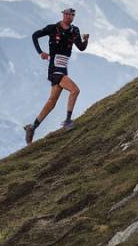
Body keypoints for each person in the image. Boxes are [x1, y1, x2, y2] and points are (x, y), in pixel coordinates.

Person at [24, 8, 89, 144]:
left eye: (72, 15)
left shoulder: (75, 31)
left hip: (63, 68)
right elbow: (35, 35)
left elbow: (81, 47)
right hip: (54, 68)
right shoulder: (52, 28)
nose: (69, 17)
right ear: (63, 15)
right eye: (67, 14)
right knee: (75, 90)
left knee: (52, 102)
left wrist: (86, 40)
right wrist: (40, 52)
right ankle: (67, 121)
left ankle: (32, 127)